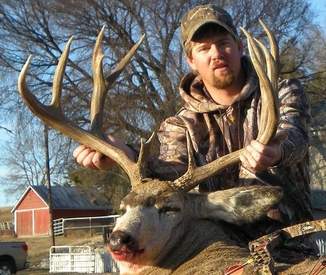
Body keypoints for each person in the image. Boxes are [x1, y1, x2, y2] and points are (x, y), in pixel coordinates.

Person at [73, 4, 312, 239]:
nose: (216, 54)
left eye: (223, 43)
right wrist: (127, 154)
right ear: (191, 60)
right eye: (204, 48)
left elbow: (295, 134)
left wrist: (278, 149)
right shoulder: (180, 124)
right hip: (217, 243)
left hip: (292, 238)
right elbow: (171, 173)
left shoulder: (280, 92)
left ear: (240, 47)